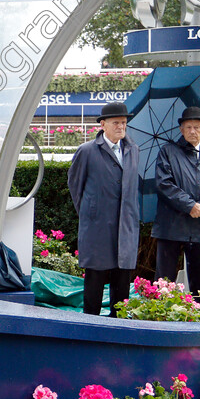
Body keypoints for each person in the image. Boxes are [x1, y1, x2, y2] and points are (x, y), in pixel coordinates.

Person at [68, 101, 140, 317]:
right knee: (95, 278)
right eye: (116, 122)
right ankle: (91, 324)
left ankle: (118, 326)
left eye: (124, 123)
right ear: (103, 124)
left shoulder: (133, 150)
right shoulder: (87, 151)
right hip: (97, 226)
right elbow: (75, 186)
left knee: (122, 280)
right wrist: (90, 212)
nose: (121, 126)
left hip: (125, 225)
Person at [153, 106, 200, 298]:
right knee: (165, 282)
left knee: (199, 283)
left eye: (196, 127)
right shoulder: (168, 152)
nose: (192, 131)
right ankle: (160, 320)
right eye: (188, 127)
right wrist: (189, 205)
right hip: (170, 226)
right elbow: (164, 184)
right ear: (181, 129)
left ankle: (197, 322)